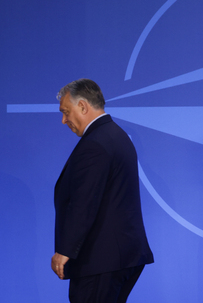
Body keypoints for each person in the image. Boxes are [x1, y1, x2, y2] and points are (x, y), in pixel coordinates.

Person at [52, 79, 154, 302]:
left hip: (100, 261)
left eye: (66, 112)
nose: (63, 120)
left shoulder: (95, 144)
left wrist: (65, 249)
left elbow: (84, 202)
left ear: (82, 106)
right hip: (120, 258)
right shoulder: (115, 135)